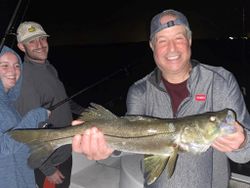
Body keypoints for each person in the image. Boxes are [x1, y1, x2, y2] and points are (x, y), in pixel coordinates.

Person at [71, 9, 250, 188]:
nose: (172, 48)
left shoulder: (221, 81)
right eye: (162, 40)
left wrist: (242, 143)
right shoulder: (139, 91)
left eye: (178, 38)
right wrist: (106, 148)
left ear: (189, 40)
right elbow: (129, 140)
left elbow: (246, 152)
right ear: (152, 46)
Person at [14, 21, 84, 188]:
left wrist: (86, 112)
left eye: (42, 39)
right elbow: (29, 131)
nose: (39, 45)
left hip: (64, 148)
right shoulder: (26, 81)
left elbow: (62, 100)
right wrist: (47, 169)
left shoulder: (48, 68)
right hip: (50, 159)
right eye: (32, 41)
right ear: (22, 47)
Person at [0, 45, 49, 188]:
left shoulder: (8, 104)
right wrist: (36, 115)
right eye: (4, 65)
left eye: (17, 66)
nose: (13, 71)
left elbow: (16, 143)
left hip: (23, 179)